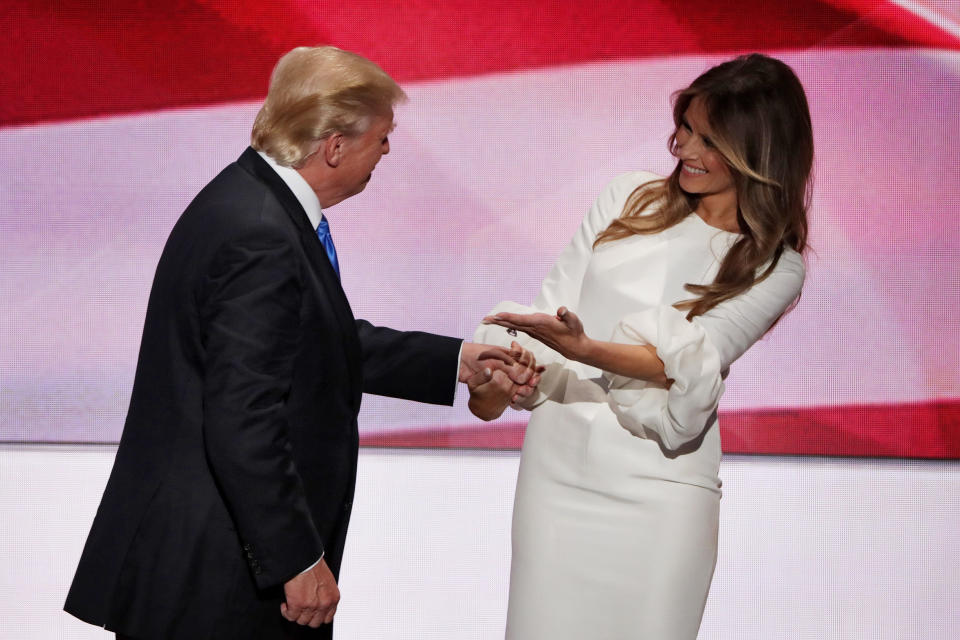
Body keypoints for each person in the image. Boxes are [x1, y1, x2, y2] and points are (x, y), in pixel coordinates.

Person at [64, 45, 538, 640]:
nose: (388, 151)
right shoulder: (261, 235)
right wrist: (294, 558)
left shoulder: (249, 200)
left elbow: (311, 340)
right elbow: (243, 417)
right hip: (217, 577)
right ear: (334, 145)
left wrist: (456, 362)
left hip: (207, 563)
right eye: (383, 137)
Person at [474, 53, 813, 639]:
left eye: (710, 140)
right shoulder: (629, 198)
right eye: (686, 128)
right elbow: (555, 309)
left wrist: (583, 348)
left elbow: (686, 363)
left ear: (757, 154)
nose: (685, 149)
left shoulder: (774, 265)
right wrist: (508, 375)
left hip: (661, 489)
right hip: (556, 475)